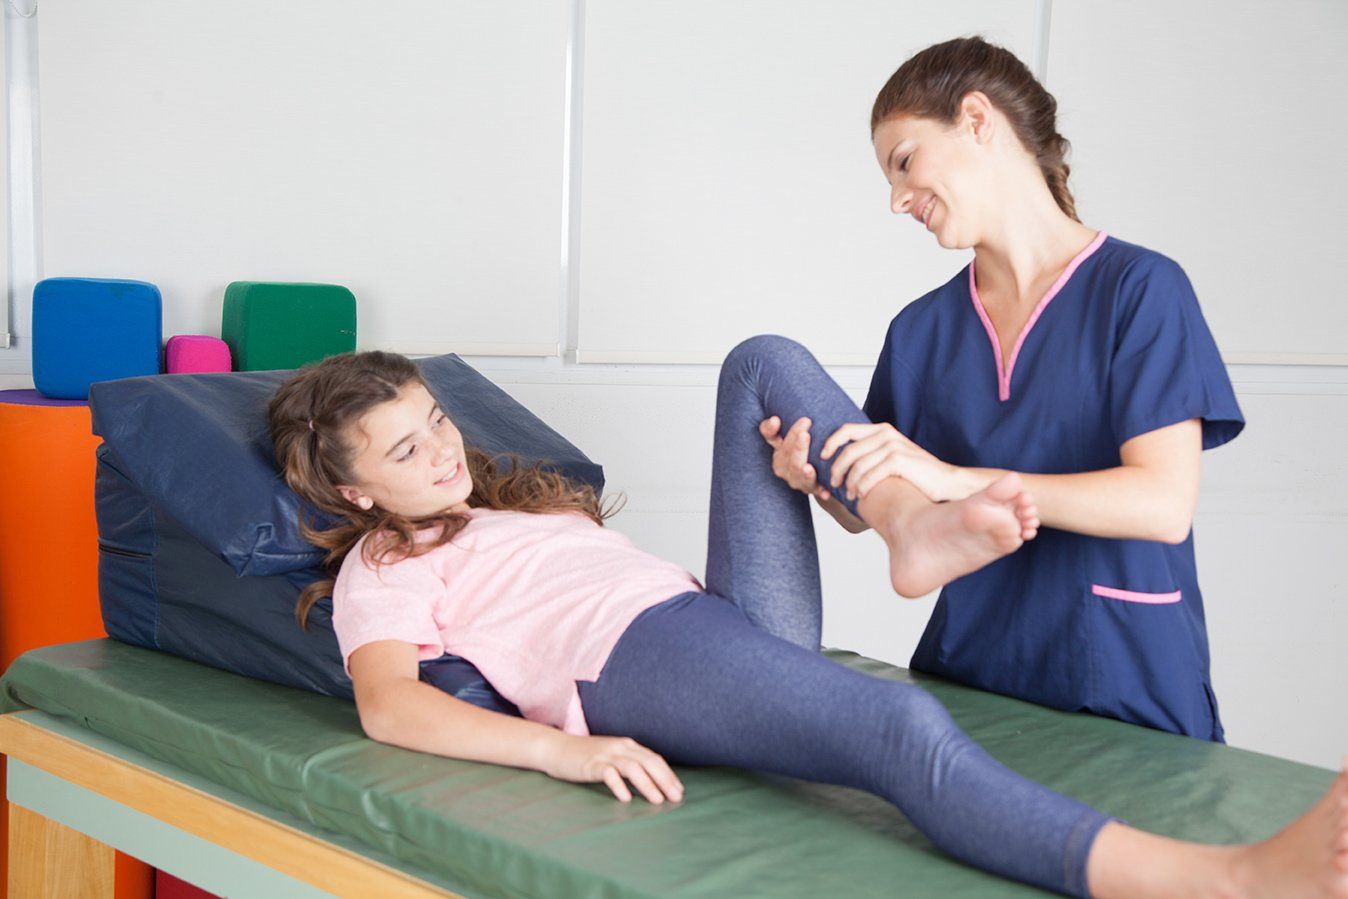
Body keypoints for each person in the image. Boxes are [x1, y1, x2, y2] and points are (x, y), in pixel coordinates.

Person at [268, 345, 1345, 898]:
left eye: (437, 421)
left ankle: (908, 525)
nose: (443, 450)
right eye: (404, 450)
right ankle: (1228, 879)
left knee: (762, 361)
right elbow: (391, 705)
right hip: (636, 660)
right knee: (899, 728)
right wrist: (563, 746)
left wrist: (799, 478)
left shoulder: (505, 501)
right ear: (353, 490)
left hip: (707, 624)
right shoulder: (384, 563)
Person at [761, 36, 1243, 740]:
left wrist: (957, 478)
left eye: (905, 162)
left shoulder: (1140, 291)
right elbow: (879, 509)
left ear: (977, 119)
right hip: (971, 683)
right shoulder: (922, 330)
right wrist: (818, 481)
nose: (897, 200)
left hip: (1120, 684)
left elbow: (1163, 503)